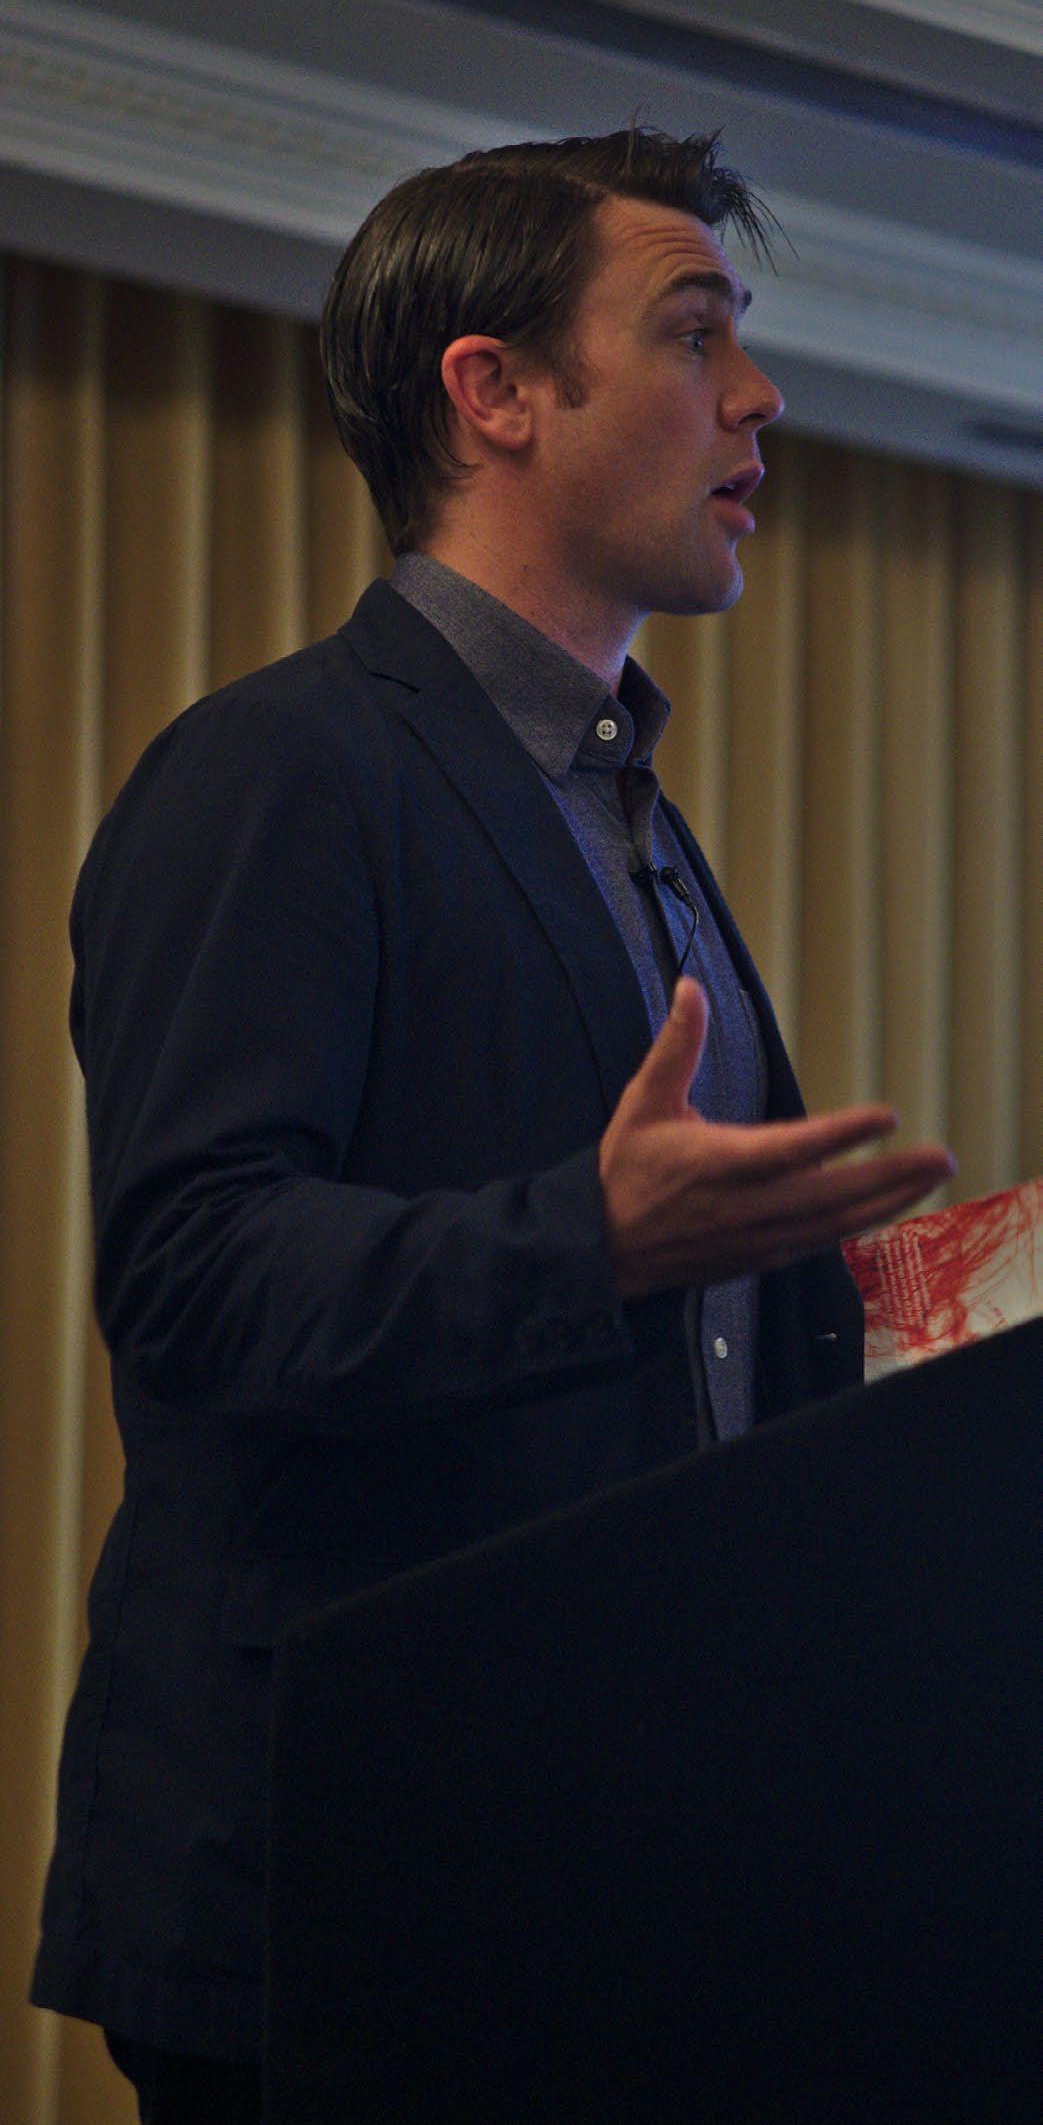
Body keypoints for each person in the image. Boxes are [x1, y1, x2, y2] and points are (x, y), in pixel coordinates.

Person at [31, 127, 954, 2120]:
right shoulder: (277, 769)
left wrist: (957, 1312)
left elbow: (711, 1340)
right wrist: (588, 1236)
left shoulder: (638, 828)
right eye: (694, 332)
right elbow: (191, 1274)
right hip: (354, 1879)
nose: (760, 395)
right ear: (496, 391)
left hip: (620, 1876)